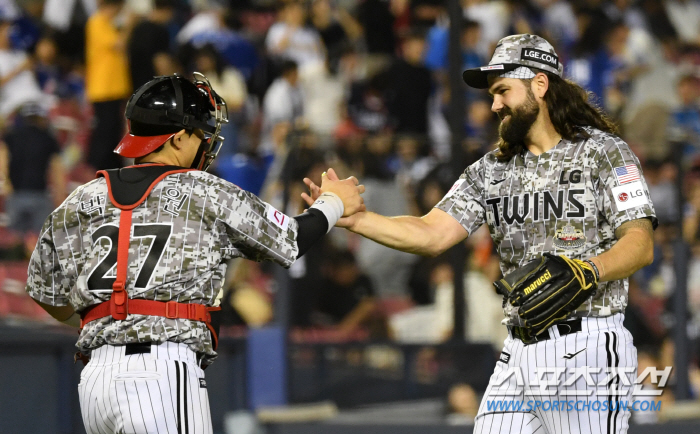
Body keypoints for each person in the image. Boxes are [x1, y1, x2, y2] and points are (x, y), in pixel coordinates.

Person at [303, 34, 657, 434]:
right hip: (518, 350)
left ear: (540, 85)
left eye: (503, 91)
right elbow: (430, 232)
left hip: (586, 342)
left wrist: (588, 270)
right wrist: (357, 219)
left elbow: (640, 243)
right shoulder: (491, 169)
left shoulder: (603, 152)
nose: (494, 105)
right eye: (492, 95)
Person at [24, 73, 365, 434]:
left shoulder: (82, 197)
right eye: (201, 133)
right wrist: (333, 203)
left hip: (95, 382)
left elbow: (46, 293)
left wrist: (110, 319)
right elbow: (290, 239)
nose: (206, 141)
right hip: (162, 370)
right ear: (179, 137)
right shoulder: (203, 191)